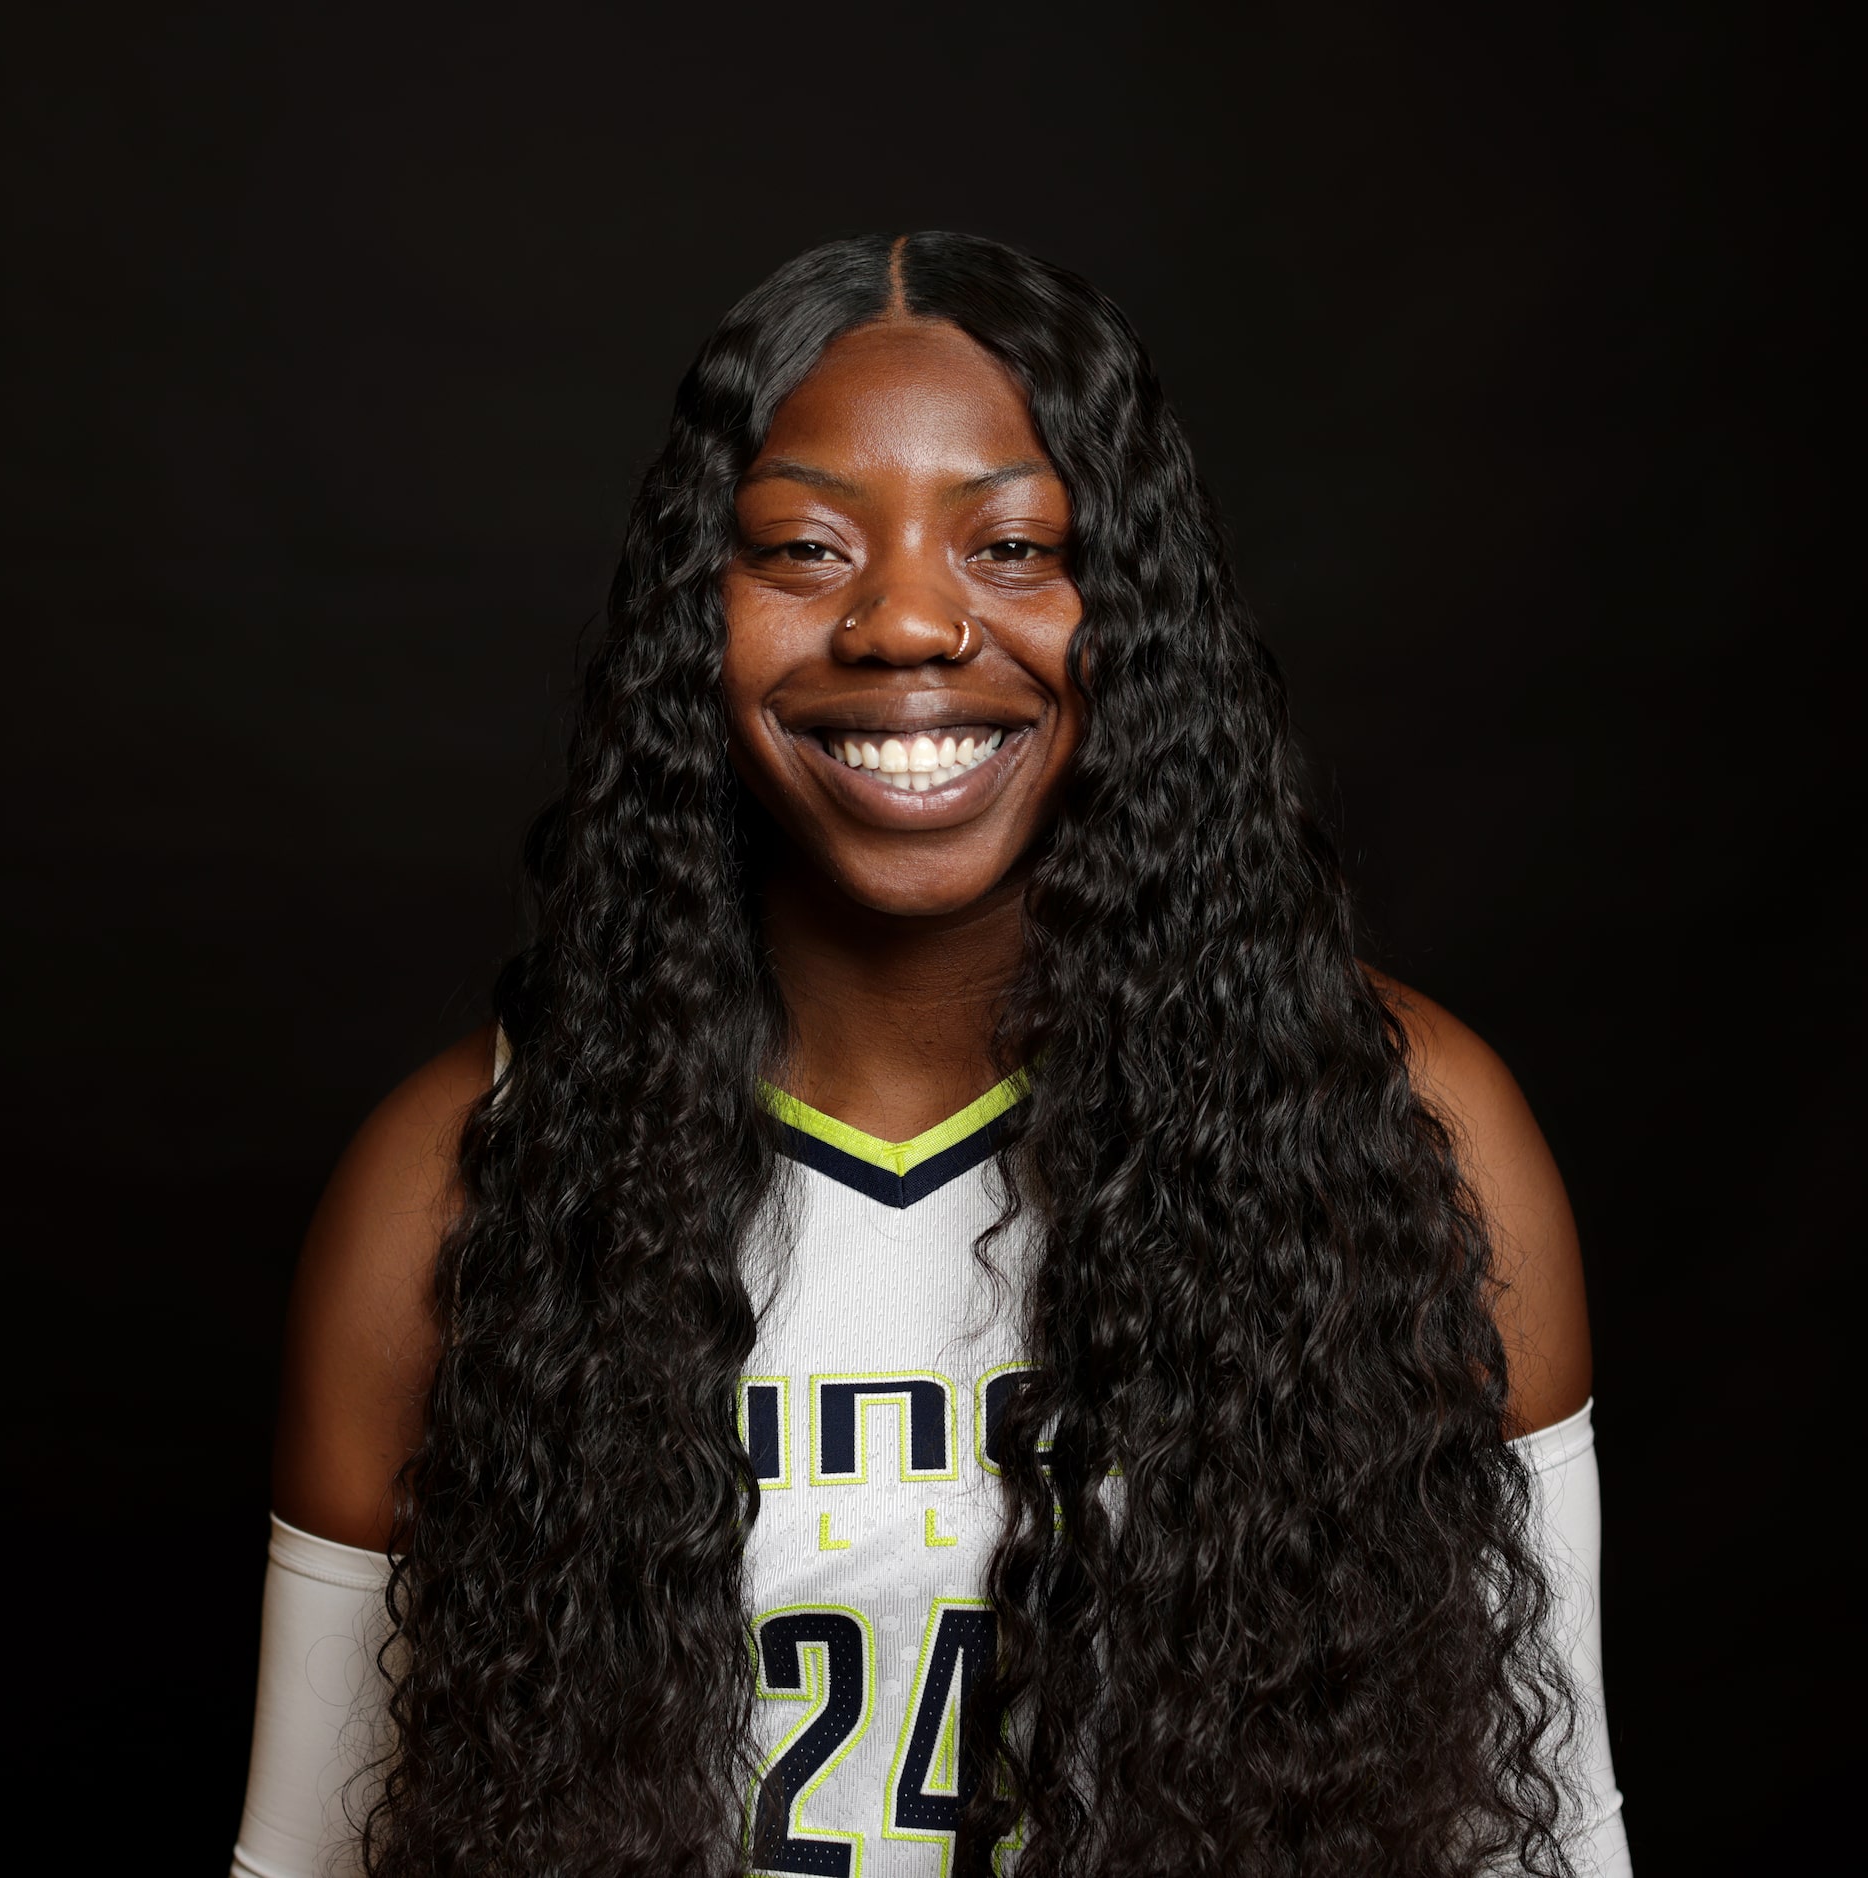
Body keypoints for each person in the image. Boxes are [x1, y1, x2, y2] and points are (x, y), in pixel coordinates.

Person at [231, 231, 1630, 1878]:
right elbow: (310, 1858)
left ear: (1136, 614)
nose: (906, 618)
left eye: (1015, 543)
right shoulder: (465, 1177)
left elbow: (1543, 1848)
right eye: (806, 547)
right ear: (700, 620)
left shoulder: (1403, 1136)